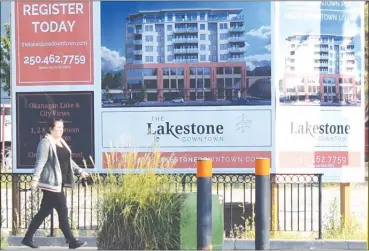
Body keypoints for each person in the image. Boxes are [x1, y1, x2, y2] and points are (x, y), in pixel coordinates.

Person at [22, 117, 90, 249]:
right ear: (50, 128)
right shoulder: (45, 143)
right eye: (58, 128)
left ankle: (27, 238)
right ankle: (72, 241)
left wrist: (80, 171)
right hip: (51, 184)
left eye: (62, 128)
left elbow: (68, 160)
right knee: (62, 209)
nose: (60, 130)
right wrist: (35, 179)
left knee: (44, 212)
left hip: (59, 183)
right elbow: (40, 162)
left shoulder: (61, 141)